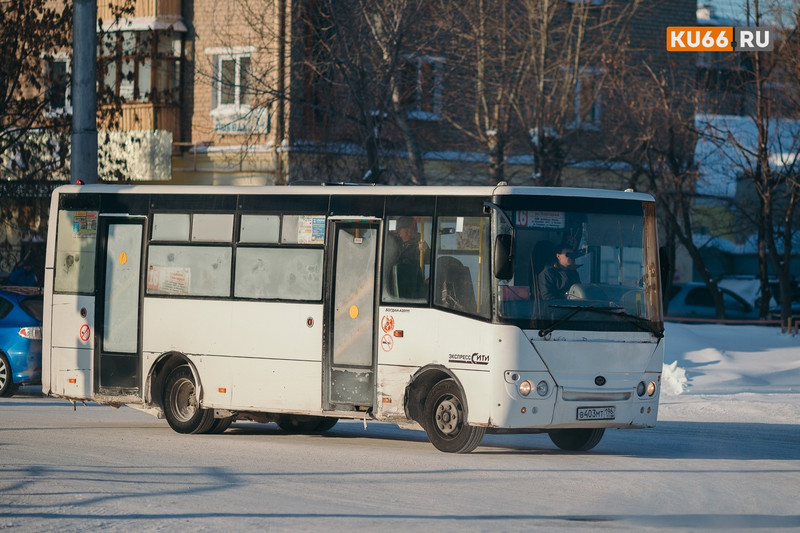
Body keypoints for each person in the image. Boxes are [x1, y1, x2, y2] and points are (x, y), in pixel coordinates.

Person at [384, 217, 430, 299]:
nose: (409, 232)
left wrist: (426, 250)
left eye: (412, 230)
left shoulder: (418, 245)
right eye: (406, 230)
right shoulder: (392, 244)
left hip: (412, 285)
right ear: (398, 232)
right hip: (392, 284)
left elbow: (429, 260)